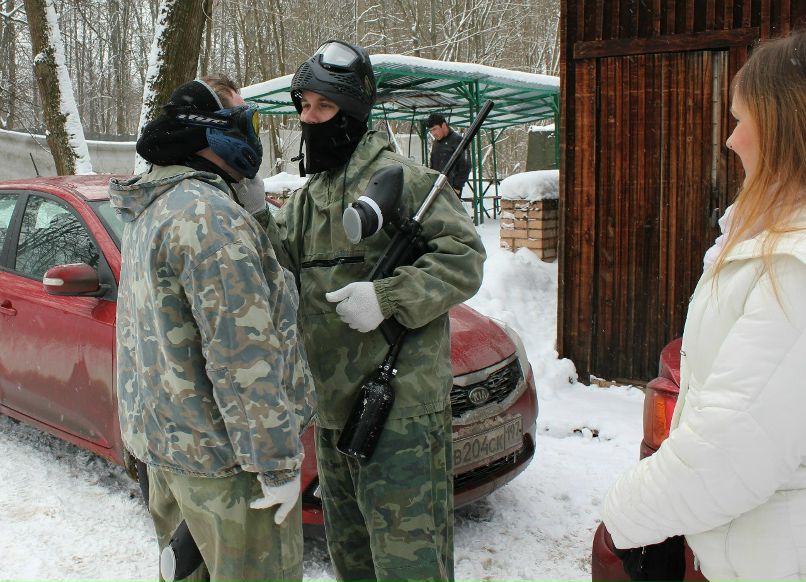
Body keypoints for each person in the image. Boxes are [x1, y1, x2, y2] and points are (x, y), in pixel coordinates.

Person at [258, 40, 485, 582]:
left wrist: (386, 297)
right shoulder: (311, 197)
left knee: (411, 567)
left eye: (323, 108)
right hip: (338, 415)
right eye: (304, 107)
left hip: (400, 417)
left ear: (353, 112)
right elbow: (279, 259)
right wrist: (248, 207)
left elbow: (465, 260)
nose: (309, 119)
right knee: (352, 560)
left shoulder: (407, 181)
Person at [601, 30, 806, 582]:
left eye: (742, 120)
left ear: (787, 128)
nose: (731, 140)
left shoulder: (796, 264)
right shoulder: (775, 241)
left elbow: (734, 445)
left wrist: (622, 518)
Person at [110, 75, 315, 582]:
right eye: (242, 120)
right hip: (229, 472)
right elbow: (244, 358)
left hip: (170, 456)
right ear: (211, 133)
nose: (251, 135)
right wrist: (278, 465)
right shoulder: (210, 218)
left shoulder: (156, 206)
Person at [426, 113, 471, 196]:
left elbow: (466, 165)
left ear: (443, 125)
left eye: (435, 129)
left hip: (452, 189)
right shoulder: (436, 143)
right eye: (431, 130)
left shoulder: (458, 140)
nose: (433, 133)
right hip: (437, 187)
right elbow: (433, 165)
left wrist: (457, 187)